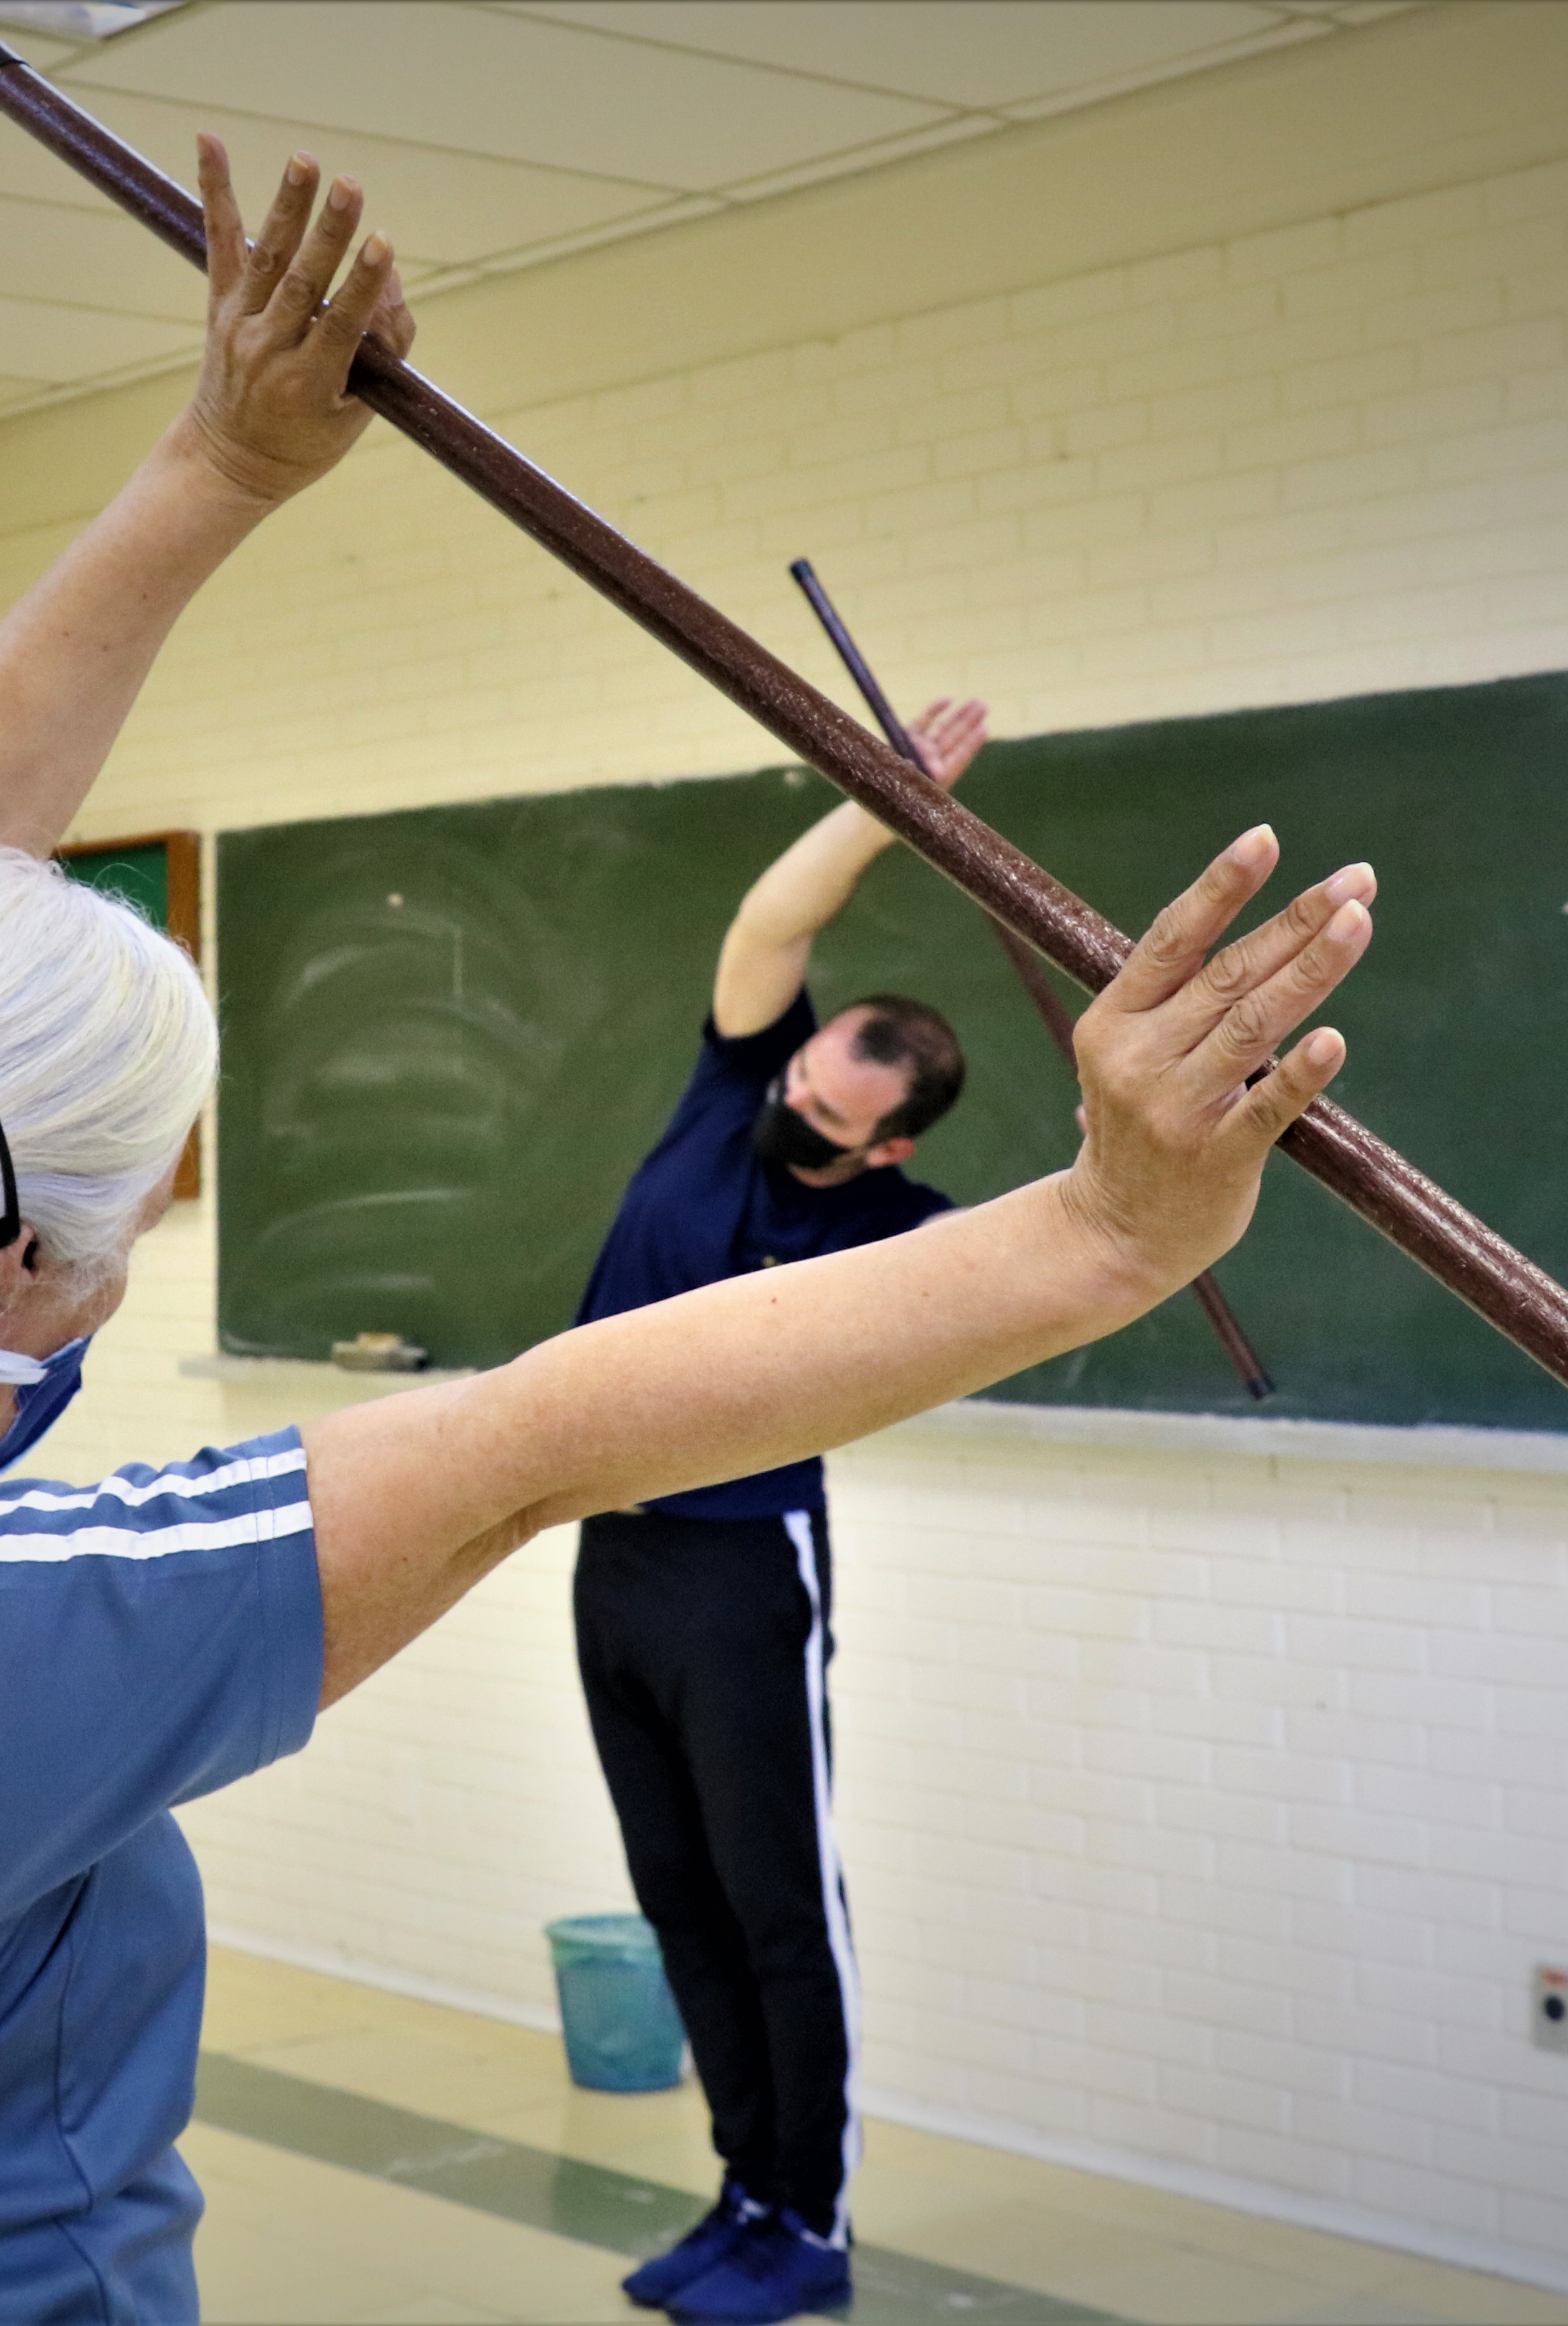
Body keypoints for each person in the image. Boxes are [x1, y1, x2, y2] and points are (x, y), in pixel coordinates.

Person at [0, 134, 1377, 2326]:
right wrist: (1107, 1235)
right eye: (137, 1209)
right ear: (15, 1276)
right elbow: (538, 1437)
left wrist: (219, 467)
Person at [564, 725, 985, 2325]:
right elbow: (770, 928)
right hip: (620, 1553)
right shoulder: (737, 1085)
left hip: (745, 1566)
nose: (791, 1107)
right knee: (673, 1889)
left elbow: (1077, 1240)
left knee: (773, 1904)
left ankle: (807, 2222)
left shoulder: (898, 1234)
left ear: (889, 1144)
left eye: (828, 1111)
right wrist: (879, 810)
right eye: (799, 1077)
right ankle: (739, 2186)